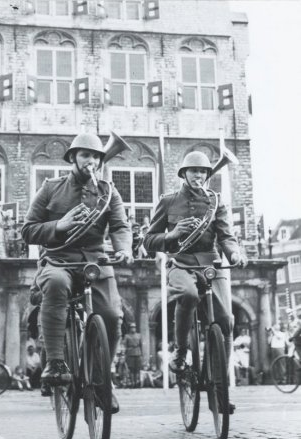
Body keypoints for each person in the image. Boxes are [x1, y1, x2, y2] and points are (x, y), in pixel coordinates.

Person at [22, 132, 133, 414]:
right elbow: (28, 230)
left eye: (96, 156)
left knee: (112, 316)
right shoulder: (51, 188)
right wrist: (58, 226)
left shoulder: (108, 191)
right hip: (58, 259)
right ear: (73, 157)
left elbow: (120, 226)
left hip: (96, 261)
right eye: (85, 155)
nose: (91, 160)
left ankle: (101, 380)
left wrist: (123, 248)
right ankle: (55, 363)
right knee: (56, 283)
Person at [144, 151, 247, 411]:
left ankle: (219, 389)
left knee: (226, 321)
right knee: (188, 294)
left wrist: (234, 253)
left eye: (202, 171)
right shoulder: (168, 201)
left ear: (207, 175)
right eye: (193, 171)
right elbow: (149, 241)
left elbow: (226, 236)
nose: (198, 175)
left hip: (211, 263)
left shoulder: (216, 202)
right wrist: (172, 235)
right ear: (184, 174)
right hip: (180, 262)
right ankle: (180, 351)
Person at [123, 322, 143, 388]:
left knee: (137, 369)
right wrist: (125, 354)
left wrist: (141, 354)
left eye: (134, 327)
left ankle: (137, 382)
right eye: (132, 327)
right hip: (130, 354)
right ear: (129, 328)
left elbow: (141, 345)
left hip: (138, 353)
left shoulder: (139, 335)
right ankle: (132, 383)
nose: (133, 328)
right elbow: (125, 345)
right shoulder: (127, 336)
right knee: (131, 369)